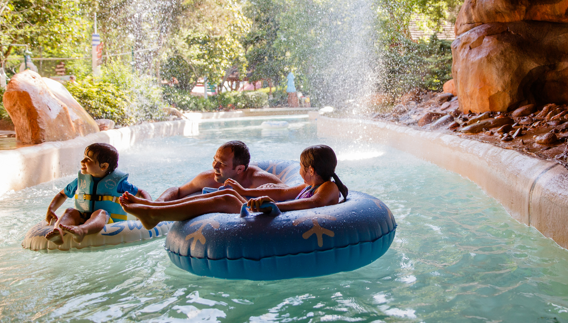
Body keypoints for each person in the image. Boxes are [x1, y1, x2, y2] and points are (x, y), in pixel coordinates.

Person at [119, 145, 349, 230]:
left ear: (310, 170)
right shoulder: (310, 184)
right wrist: (243, 192)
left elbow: (311, 204)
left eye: (301, 166)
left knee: (227, 200)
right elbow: (280, 192)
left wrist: (272, 206)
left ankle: (153, 215)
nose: (299, 170)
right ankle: (153, 210)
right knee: (229, 194)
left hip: (279, 218)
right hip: (272, 210)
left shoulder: (328, 188)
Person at [44, 143, 151, 244]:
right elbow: (63, 194)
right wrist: (51, 209)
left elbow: (140, 192)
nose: (82, 161)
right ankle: (58, 232)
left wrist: (148, 208)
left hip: (108, 220)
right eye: (84, 157)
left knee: (100, 213)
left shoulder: (118, 183)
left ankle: (82, 230)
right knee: (70, 211)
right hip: (82, 216)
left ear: (103, 166)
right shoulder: (81, 180)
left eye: (88, 159)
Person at [154, 140, 285, 202]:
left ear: (240, 169)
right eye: (214, 160)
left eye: (221, 163)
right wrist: (160, 201)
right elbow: (178, 191)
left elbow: (287, 193)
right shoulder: (209, 179)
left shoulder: (258, 179)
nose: (214, 166)